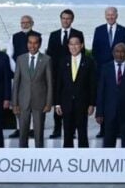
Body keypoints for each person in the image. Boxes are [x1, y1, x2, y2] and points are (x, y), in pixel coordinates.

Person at [92, 6, 125, 138]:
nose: (110, 17)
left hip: (119, 69)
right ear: (105, 16)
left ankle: (119, 129)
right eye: (108, 15)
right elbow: (95, 51)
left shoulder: (124, 30)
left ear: (117, 15)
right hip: (105, 71)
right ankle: (103, 129)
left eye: (112, 15)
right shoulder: (99, 30)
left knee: (119, 99)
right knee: (104, 99)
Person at [46, 9, 84, 139]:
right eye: (63, 18)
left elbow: (81, 54)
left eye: (68, 18)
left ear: (72, 20)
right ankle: (57, 129)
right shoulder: (53, 34)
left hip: (73, 74)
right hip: (57, 74)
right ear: (60, 19)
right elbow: (49, 55)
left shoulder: (78, 34)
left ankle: (71, 131)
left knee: (72, 104)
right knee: (58, 102)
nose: (65, 20)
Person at [12, 32, 53, 148]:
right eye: (30, 43)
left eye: (35, 43)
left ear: (39, 44)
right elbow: (16, 82)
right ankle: (23, 156)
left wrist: (49, 103)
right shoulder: (20, 59)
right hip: (23, 102)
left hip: (40, 102)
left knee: (39, 133)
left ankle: (38, 156)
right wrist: (14, 103)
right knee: (22, 133)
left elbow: (50, 83)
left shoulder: (46, 59)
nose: (32, 46)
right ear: (27, 44)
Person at [54, 35, 96, 148]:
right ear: (68, 46)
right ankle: (67, 158)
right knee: (67, 133)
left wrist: (92, 104)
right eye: (71, 44)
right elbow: (59, 83)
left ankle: (84, 159)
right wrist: (57, 103)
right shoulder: (63, 61)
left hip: (82, 104)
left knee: (82, 133)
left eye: (76, 44)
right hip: (66, 103)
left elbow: (92, 84)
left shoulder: (89, 62)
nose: (74, 46)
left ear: (81, 45)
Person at [95, 43, 125, 148]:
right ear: (113, 53)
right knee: (108, 143)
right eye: (117, 51)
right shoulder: (105, 68)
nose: (120, 54)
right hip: (109, 113)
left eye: (123, 51)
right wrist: (99, 112)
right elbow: (101, 91)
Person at [7, 15, 42, 139]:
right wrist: (17, 71)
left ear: (32, 23)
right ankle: (19, 128)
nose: (24, 24)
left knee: (33, 101)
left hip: (34, 76)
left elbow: (41, 56)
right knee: (17, 103)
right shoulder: (14, 37)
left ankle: (32, 129)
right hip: (17, 75)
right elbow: (9, 55)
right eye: (22, 22)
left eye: (27, 22)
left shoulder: (39, 36)